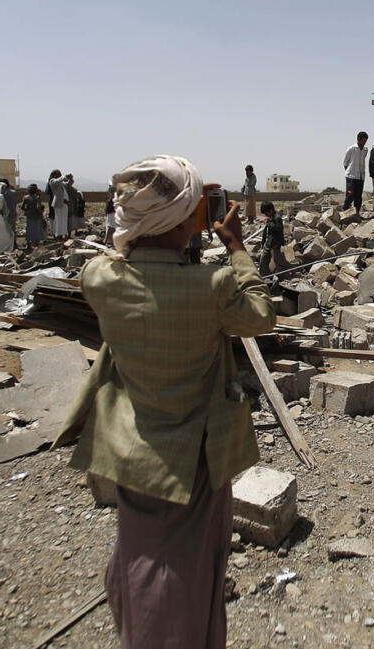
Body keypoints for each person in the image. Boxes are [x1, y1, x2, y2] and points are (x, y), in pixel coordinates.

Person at [53, 155, 275, 649]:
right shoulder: (212, 286)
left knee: (139, 550)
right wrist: (236, 247)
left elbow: (136, 272)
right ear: (179, 217)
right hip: (193, 455)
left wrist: (166, 233)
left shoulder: (98, 279)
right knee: (183, 570)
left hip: (131, 448)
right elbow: (260, 315)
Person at [257, 201, 290, 276]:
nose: (266, 215)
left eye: (266, 213)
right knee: (263, 260)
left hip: (275, 243)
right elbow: (265, 231)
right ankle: (264, 275)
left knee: (279, 261)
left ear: (271, 210)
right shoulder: (270, 217)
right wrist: (263, 243)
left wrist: (269, 223)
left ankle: (290, 271)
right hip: (269, 243)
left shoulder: (277, 218)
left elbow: (278, 229)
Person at [342, 131, 368, 212]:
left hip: (361, 177)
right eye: (363, 141)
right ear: (358, 140)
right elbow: (345, 162)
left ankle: (356, 213)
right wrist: (350, 173)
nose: (364, 143)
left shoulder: (365, 150)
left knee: (358, 197)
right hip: (351, 177)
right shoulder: (351, 149)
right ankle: (345, 211)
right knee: (350, 195)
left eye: (365, 141)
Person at [48, 170, 70, 239]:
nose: (60, 174)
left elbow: (67, 184)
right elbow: (58, 180)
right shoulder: (52, 181)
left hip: (64, 203)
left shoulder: (61, 183)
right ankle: (58, 235)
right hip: (58, 203)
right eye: (59, 173)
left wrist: (70, 179)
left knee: (64, 219)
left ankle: (63, 234)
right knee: (58, 219)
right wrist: (65, 176)